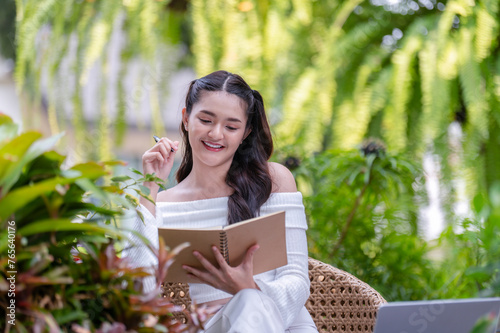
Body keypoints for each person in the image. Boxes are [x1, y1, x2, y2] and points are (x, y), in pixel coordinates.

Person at [124, 70, 318, 333]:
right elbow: (140, 291)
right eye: (206, 120)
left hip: (280, 323)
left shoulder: (273, 182)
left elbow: (297, 281)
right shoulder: (160, 205)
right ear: (185, 119)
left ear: (246, 132)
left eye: (231, 127)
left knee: (248, 301)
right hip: (210, 327)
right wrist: (149, 186)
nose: (216, 134)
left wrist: (245, 287)